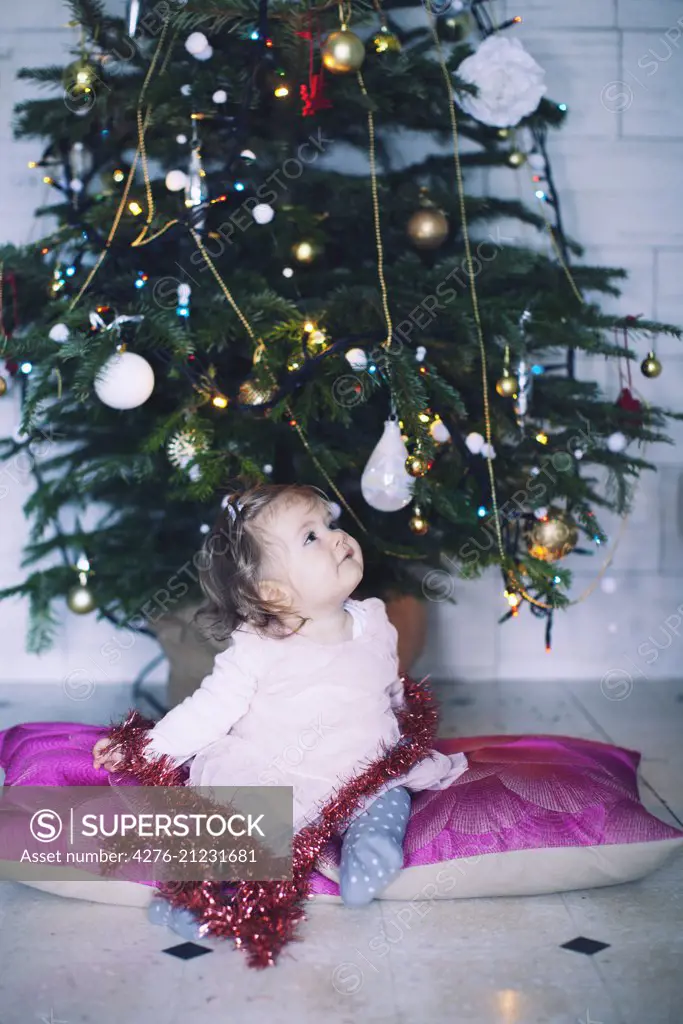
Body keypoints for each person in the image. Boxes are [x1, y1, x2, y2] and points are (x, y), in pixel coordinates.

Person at [88, 482, 467, 935]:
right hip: (280, 775)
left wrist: (404, 722)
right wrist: (146, 748)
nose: (337, 538)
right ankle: (193, 902)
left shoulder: (373, 620)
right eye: (312, 537)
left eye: (330, 525)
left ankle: (372, 849)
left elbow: (386, 686)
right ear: (275, 594)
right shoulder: (259, 646)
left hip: (364, 769)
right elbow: (210, 709)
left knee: (391, 796)